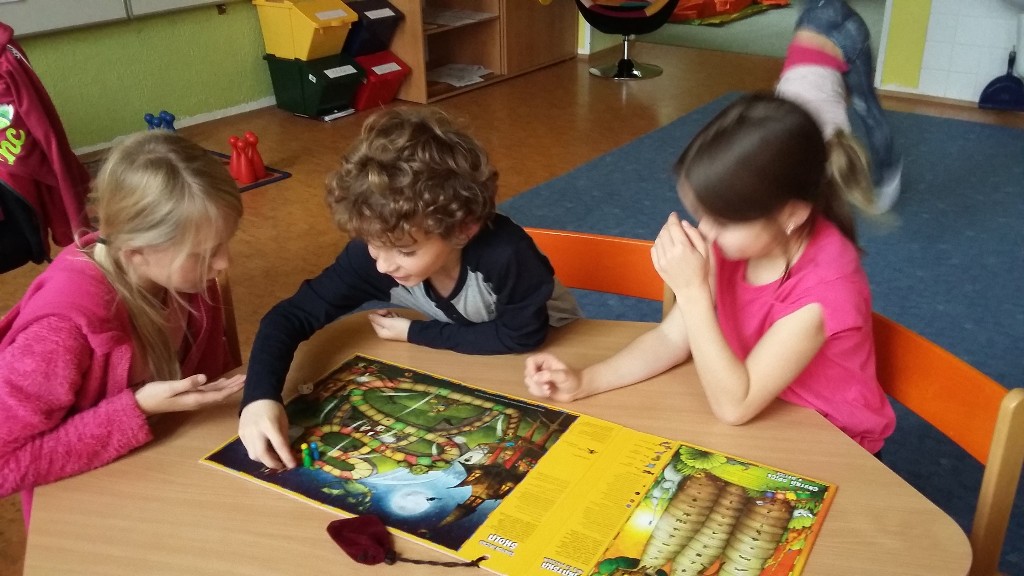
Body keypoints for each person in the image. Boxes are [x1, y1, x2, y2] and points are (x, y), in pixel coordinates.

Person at [524, 94, 896, 455]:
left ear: (790, 216)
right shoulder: (737, 243)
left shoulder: (824, 293)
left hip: (833, 443)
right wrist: (585, 381)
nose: (706, 231)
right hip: (763, 413)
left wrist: (693, 293)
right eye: (701, 214)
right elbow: (671, 339)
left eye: (722, 220)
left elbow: (735, 406)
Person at [239, 106, 580, 469]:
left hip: (555, 348)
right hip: (473, 356)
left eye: (405, 251)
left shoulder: (506, 254)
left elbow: (522, 337)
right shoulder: (372, 259)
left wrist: (414, 332)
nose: (383, 266)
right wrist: (259, 397)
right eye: (373, 244)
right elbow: (289, 316)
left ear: (463, 229)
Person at [0, 130, 247, 522]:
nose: (223, 263)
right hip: (90, 510)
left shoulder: (186, 279)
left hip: (172, 474)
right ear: (135, 253)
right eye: (204, 253)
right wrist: (135, 410)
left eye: (224, 243)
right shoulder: (59, 333)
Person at [775, 0, 902, 213]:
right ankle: (888, 174)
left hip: (839, 31)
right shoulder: (785, 116)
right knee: (865, 106)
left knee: (865, 107)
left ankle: (889, 175)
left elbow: (838, 159)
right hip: (821, 17)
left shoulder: (829, 129)